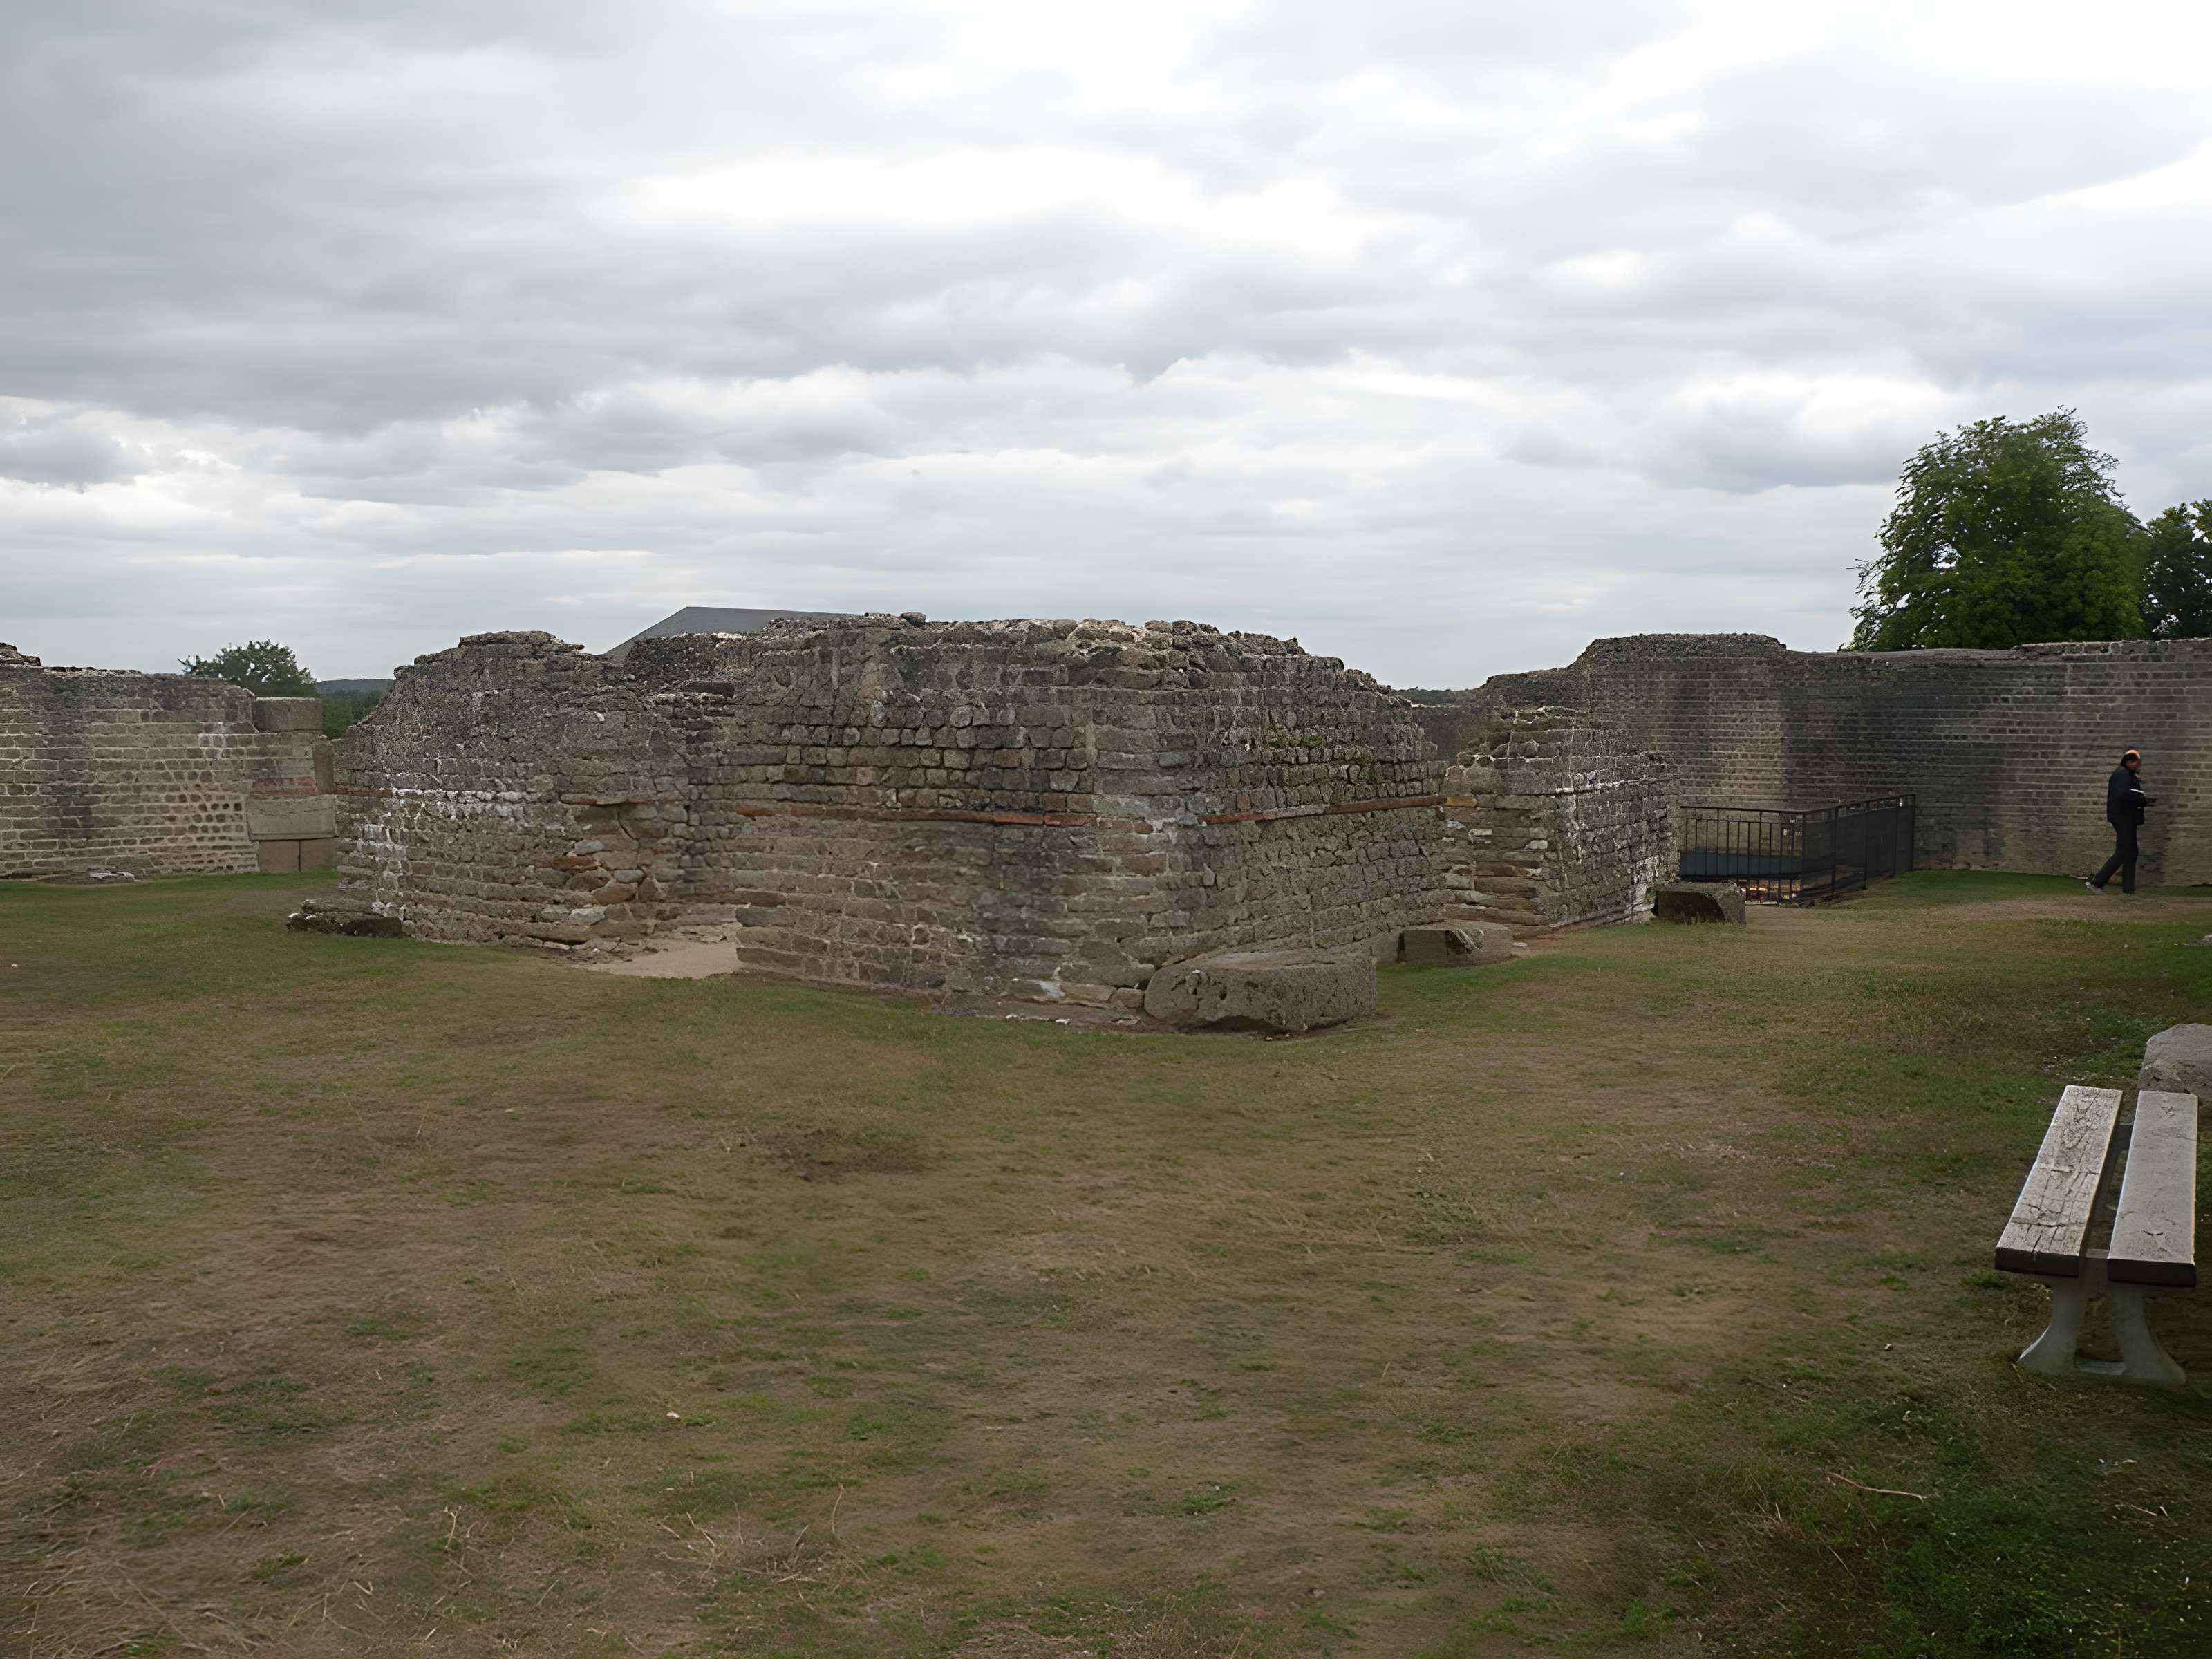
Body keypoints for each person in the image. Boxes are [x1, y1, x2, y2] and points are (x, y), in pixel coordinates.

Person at [2086, 749, 2153, 894]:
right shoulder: (2123, 774)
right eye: (2135, 762)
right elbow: (2123, 795)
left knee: (2131, 851)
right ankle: (2098, 882)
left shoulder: (2125, 774)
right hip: (2124, 818)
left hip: (2126, 817)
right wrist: (2142, 799)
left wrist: (2143, 801)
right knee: (2124, 850)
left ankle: (2128, 888)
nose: (2138, 765)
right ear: (2128, 762)